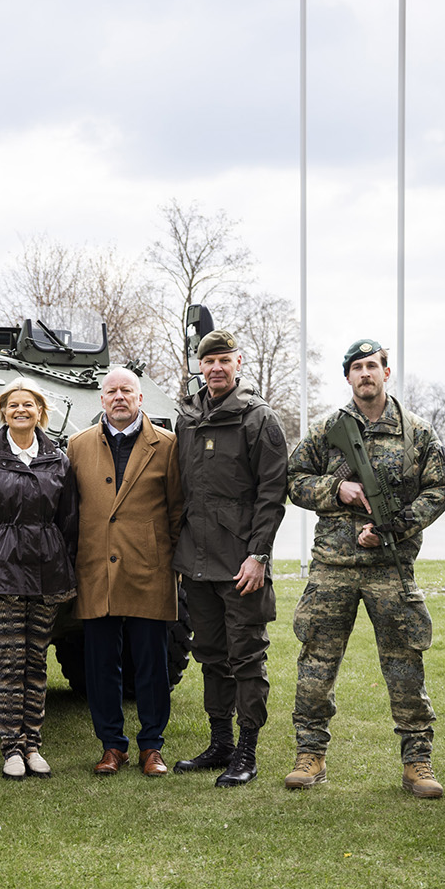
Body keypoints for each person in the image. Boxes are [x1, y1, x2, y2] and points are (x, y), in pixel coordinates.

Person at [284, 338, 445, 796]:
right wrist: (337, 490)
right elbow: (293, 480)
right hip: (332, 566)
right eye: (356, 367)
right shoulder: (325, 430)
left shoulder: (417, 432)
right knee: (316, 663)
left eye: (372, 366)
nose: (365, 374)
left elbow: (439, 489)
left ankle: (418, 762)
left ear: (387, 372)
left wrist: (394, 526)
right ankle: (310, 755)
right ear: (348, 377)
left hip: (390, 568)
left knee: (405, 667)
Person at [173, 331, 288, 787]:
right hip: (196, 562)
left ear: (238, 363)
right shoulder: (186, 417)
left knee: (246, 658)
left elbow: (272, 493)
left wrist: (258, 555)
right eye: (209, 361)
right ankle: (220, 742)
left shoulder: (258, 419)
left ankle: (247, 751)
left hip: (242, 564)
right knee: (211, 656)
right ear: (199, 366)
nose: (216, 368)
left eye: (224, 360)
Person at [0, 378, 79, 779]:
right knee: (9, 663)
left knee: (36, 662)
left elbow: (70, 523)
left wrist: (69, 572)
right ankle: (11, 747)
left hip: (47, 570)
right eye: (13, 405)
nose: (21, 410)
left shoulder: (58, 459)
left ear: (40, 411)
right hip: (2, 571)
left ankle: (33, 745)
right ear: (4, 412)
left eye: (28, 404)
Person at [67, 366, 183, 777]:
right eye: (111, 391)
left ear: (140, 398)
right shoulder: (77, 445)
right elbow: (72, 510)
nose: (119, 397)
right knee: (101, 665)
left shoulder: (167, 446)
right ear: (101, 400)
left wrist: (166, 560)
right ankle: (111, 746)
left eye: (127, 391)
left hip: (148, 569)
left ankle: (152, 746)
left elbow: (177, 511)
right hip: (96, 568)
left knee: (152, 665)